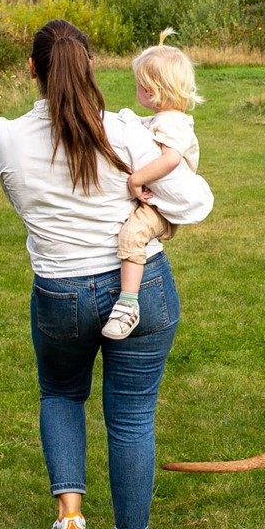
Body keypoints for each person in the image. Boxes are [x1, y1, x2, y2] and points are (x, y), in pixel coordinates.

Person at [0, 20, 213, 529]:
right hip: (139, 285)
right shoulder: (127, 133)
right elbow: (194, 202)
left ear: (34, 69)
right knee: (132, 417)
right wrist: (149, 209)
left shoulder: (7, 138)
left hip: (59, 288)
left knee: (61, 394)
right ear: (90, 66)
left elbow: (23, 206)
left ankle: (70, 515)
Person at [103, 43, 208, 341]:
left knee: (132, 234)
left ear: (150, 90)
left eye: (139, 84)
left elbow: (170, 159)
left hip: (162, 208)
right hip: (158, 201)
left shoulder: (172, 123)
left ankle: (128, 305)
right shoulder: (166, 119)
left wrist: (136, 180)